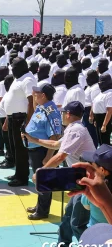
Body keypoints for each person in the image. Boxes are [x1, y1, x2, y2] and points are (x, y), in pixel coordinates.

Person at [26, 101, 94, 246]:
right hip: (80, 182)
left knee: (76, 223)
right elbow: (55, 144)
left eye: (63, 112)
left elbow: (61, 155)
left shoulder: (76, 130)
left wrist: (41, 172)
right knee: (68, 216)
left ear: (68, 114)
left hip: (86, 182)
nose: (62, 115)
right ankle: (63, 243)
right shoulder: (73, 128)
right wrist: (32, 139)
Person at [23, 83, 62, 220]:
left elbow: (55, 136)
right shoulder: (41, 107)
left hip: (42, 150)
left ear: (43, 95)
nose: (34, 94)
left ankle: (42, 211)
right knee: (38, 179)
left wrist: (48, 157)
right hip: (34, 149)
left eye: (36, 93)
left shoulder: (51, 112)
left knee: (44, 180)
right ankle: (40, 205)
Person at [3, 57, 36, 186]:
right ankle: (18, 173)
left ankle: (22, 178)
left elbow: (31, 102)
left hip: (21, 119)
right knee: (15, 148)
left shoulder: (28, 79)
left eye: (14, 67)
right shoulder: (19, 78)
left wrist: (27, 121)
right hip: (13, 118)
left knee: (21, 149)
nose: (12, 70)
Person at [81, 144, 112, 227]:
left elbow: (86, 206)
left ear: (102, 170)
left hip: (97, 234)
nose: (90, 165)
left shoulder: (93, 189)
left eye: (93, 164)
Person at [90, 73, 112, 146]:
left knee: (106, 143)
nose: (99, 84)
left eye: (101, 82)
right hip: (98, 120)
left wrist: (104, 125)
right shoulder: (101, 93)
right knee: (100, 142)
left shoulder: (110, 93)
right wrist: (94, 119)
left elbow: (109, 110)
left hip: (104, 120)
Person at [83, 70, 100, 148]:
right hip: (85, 111)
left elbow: (94, 102)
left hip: (89, 111)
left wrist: (91, 115)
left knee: (92, 134)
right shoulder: (90, 86)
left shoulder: (96, 87)